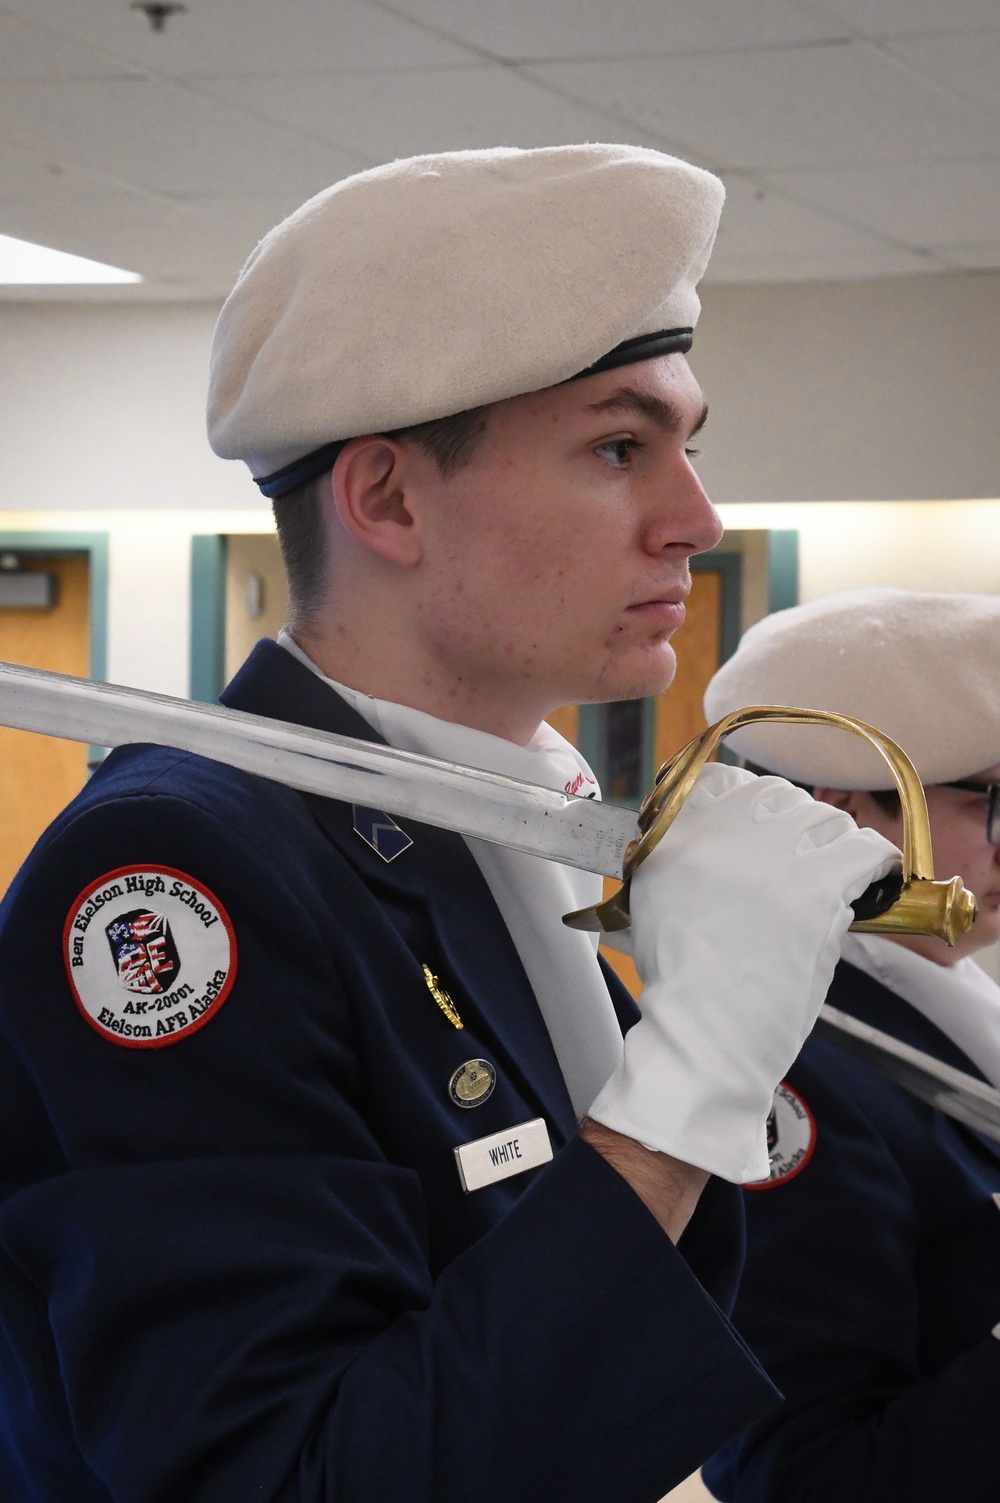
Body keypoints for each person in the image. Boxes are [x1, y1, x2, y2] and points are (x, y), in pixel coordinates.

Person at [0, 147, 897, 1503]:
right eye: (618, 447)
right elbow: (294, 1473)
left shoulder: (483, 830)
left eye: (687, 448)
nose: (696, 521)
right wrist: (690, 1080)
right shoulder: (183, 868)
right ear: (388, 500)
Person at [701, 587, 1000, 1503]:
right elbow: (799, 1474)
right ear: (843, 812)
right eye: (992, 802)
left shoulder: (951, 1003)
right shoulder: (793, 1072)